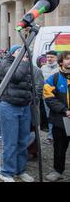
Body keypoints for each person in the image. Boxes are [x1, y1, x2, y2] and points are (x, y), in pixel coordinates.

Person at [0, 45, 35, 182]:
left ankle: (20, 169)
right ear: (13, 54)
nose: (24, 54)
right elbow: (16, 77)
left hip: (24, 106)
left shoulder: (25, 65)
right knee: (10, 141)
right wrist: (24, 62)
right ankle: (7, 172)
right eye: (20, 51)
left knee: (23, 141)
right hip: (9, 106)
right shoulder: (5, 64)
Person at [43, 51, 70, 182]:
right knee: (59, 147)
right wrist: (65, 110)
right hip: (60, 120)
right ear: (61, 62)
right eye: (67, 59)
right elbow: (48, 97)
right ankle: (57, 171)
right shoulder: (52, 79)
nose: (69, 61)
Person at [41, 50, 60, 145]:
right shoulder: (43, 68)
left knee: (60, 116)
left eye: (51, 57)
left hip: (58, 97)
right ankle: (50, 136)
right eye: (48, 57)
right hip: (47, 97)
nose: (49, 59)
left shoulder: (60, 68)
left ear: (56, 58)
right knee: (49, 117)